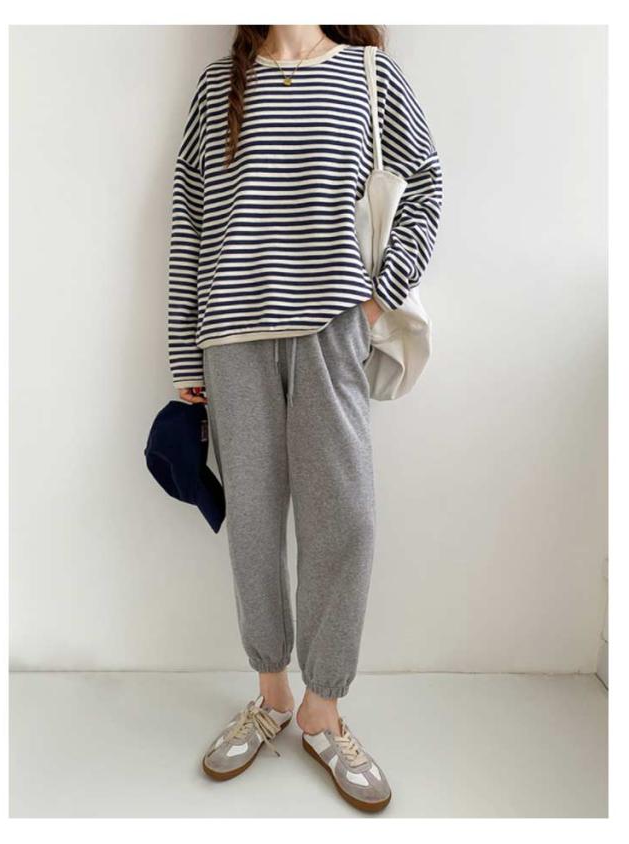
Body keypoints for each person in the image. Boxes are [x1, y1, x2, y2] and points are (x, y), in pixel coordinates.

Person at [167, 24, 442, 812]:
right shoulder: (218, 83)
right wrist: (185, 355)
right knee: (254, 525)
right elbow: (189, 218)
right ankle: (272, 695)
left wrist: (379, 294)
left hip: (330, 333)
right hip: (231, 338)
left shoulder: (368, 73)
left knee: (345, 518)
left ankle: (323, 708)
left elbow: (425, 181)